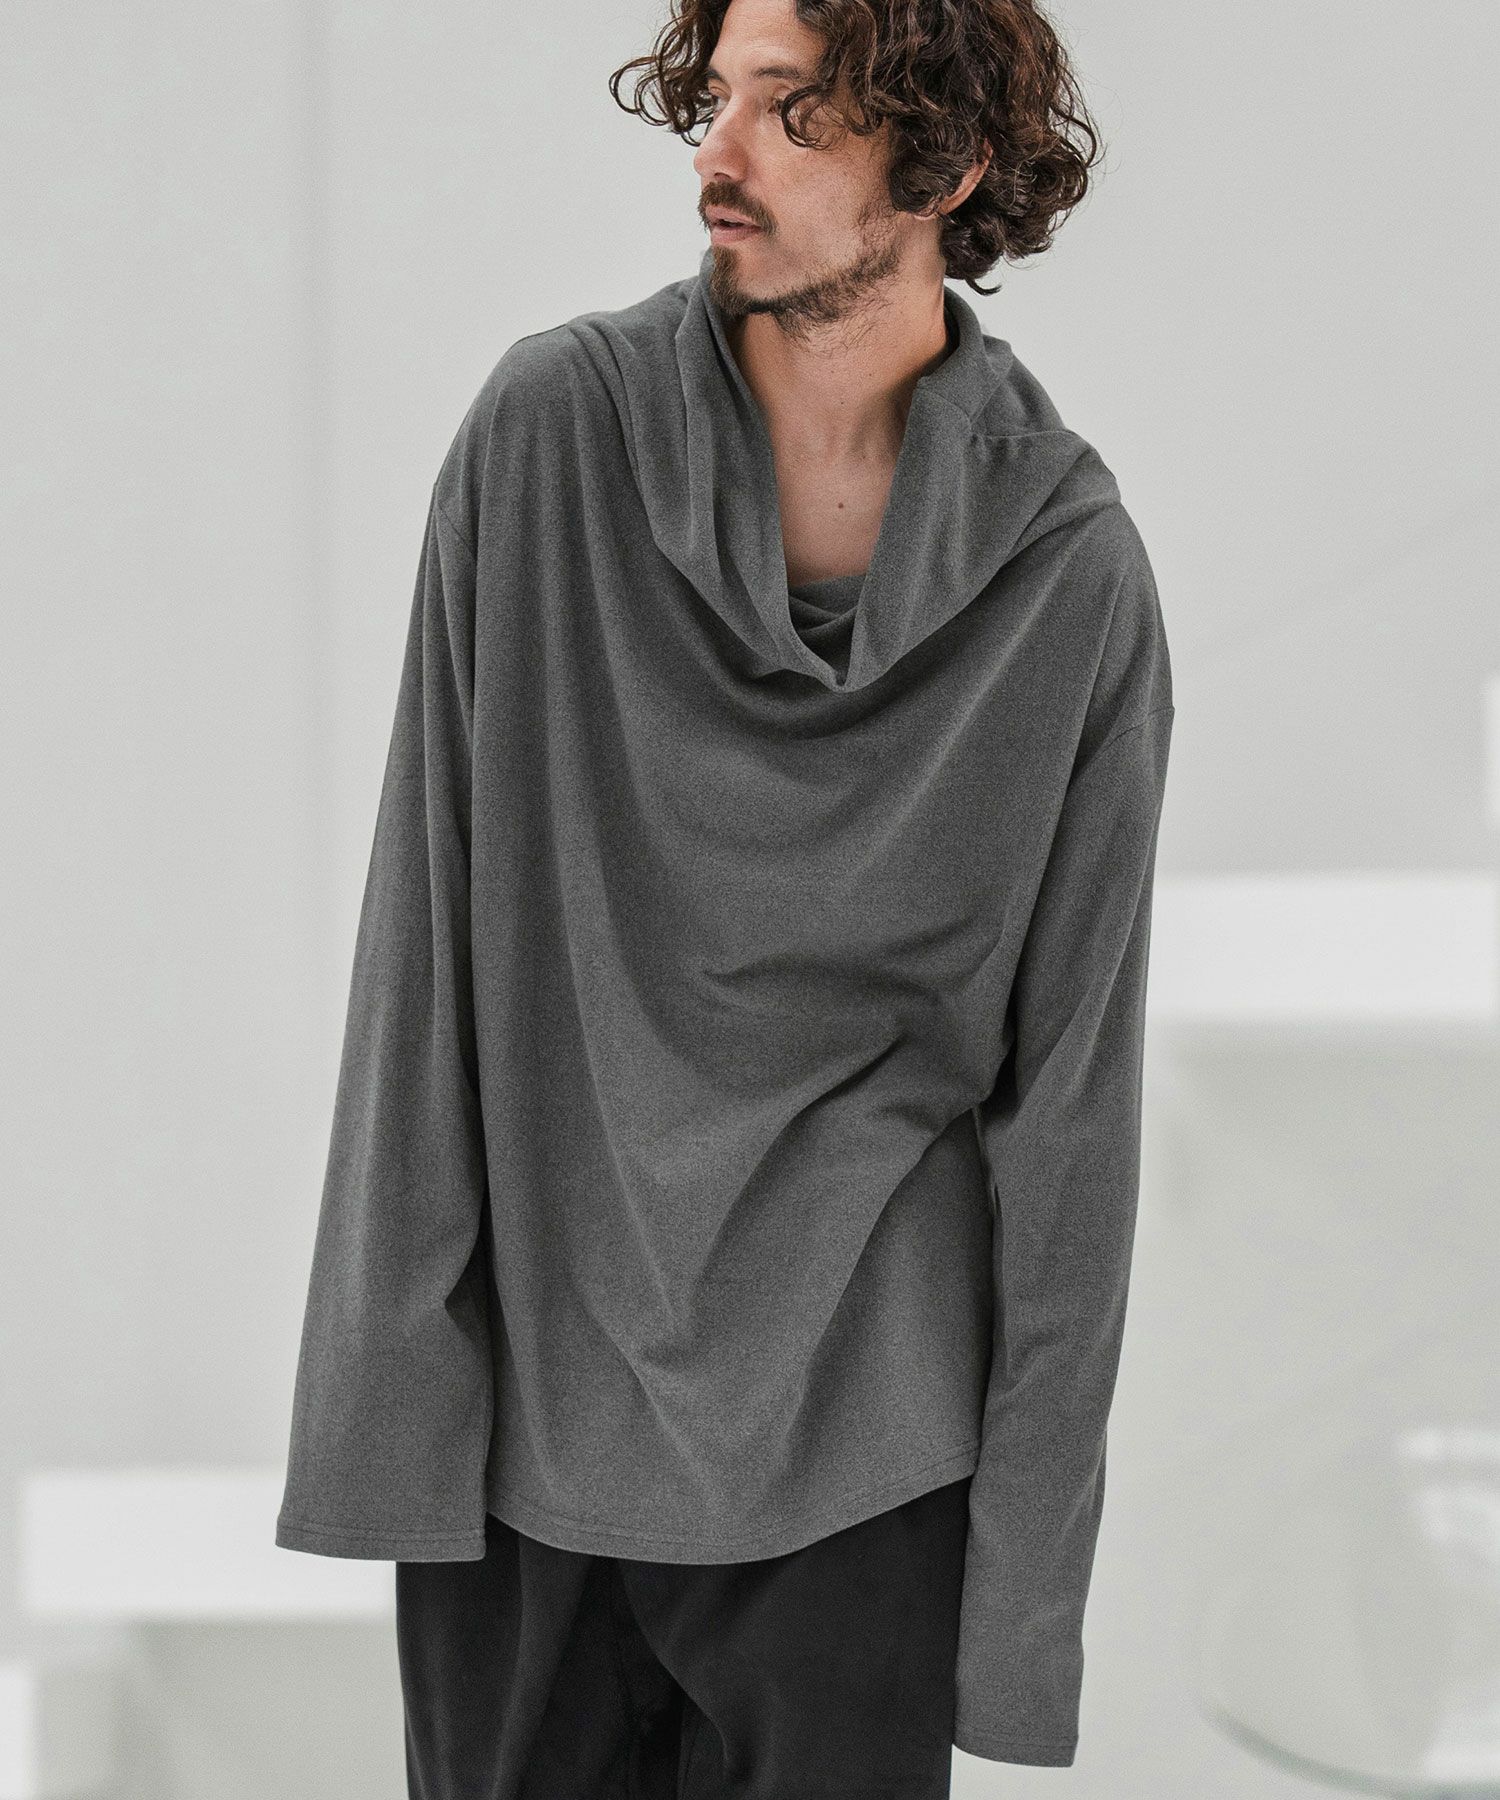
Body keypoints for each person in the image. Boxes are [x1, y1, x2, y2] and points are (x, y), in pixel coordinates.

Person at [274, 0, 1175, 1791]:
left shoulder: (1072, 579)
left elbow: (1073, 1126)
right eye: (719, 97)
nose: (719, 153)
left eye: (795, 109)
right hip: (532, 1450)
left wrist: (1021, 1619)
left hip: (869, 1472)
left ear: (947, 164)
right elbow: (425, 950)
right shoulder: (552, 440)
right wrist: (393, 1415)